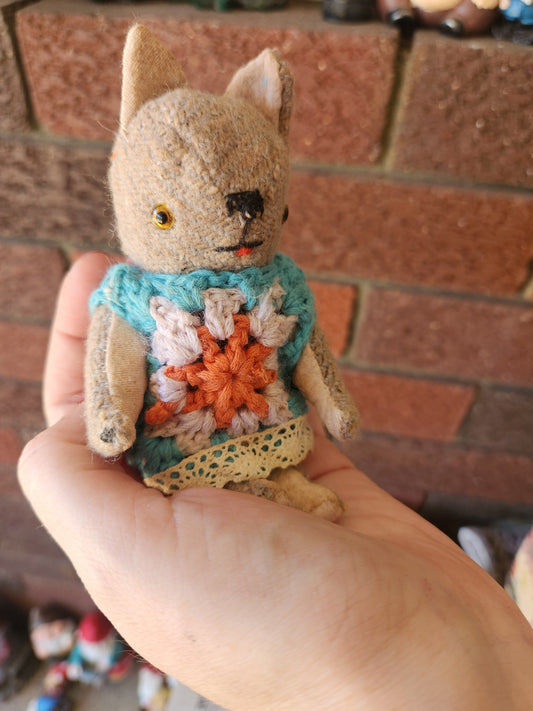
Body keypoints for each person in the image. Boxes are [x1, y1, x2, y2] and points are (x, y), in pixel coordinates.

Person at [18, 252, 533, 711]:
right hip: (185, 457)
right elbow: (115, 373)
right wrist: (110, 415)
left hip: (277, 436)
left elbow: (307, 351)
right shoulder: (134, 297)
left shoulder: (277, 287)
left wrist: (335, 406)